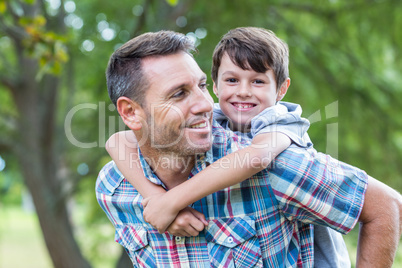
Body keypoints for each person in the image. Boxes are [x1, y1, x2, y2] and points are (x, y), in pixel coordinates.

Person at [96, 30, 402, 267]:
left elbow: (386, 205)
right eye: (179, 94)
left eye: (201, 86)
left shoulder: (276, 163)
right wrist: (156, 198)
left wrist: (171, 201)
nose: (205, 104)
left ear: (281, 89)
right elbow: (117, 141)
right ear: (130, 113)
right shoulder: (114, 187)